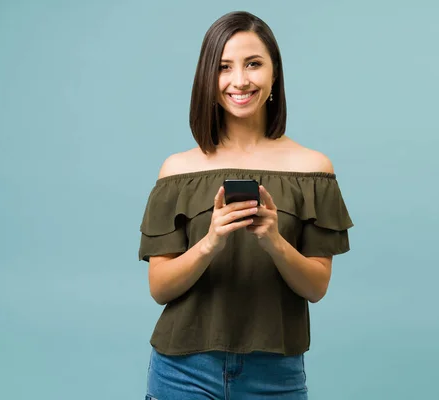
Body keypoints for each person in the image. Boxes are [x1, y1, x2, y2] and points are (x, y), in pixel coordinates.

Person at [138, 10, 353, 400]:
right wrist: (210, 242)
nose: (240, 80)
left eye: (253, 64)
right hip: (182, 371)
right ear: (208, 78)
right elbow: (160, 288)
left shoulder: (313, 169)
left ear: (274, 74)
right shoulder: (177, 169)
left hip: (275, 375)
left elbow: (316, 286)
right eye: (224, 67)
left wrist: (274, 240)